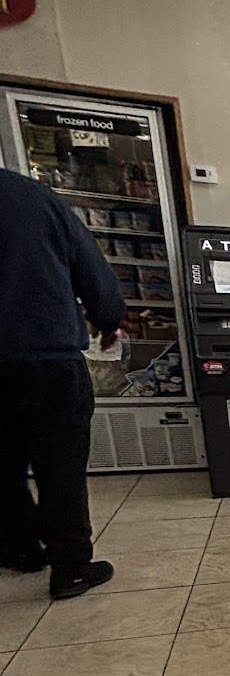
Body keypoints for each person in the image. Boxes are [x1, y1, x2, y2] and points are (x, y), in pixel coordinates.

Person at [0, 164, 126, 599]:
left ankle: (19, 547)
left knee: (2, 464)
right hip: (47, 357)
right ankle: (70, 567)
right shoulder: (34, 198)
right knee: (61, 466)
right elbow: (91, 269)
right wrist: (108, 318)